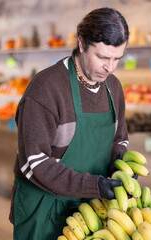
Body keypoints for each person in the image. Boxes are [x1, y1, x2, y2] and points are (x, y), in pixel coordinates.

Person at [9, 7, 130, 239]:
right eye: (103, 57)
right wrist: (95, 185)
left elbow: (119, 139)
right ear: (82, 44)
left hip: (94, 209)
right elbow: (35, 162)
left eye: (117, 59)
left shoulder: (113, 87)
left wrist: (121, 165)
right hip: (44, 209)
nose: (110, 67)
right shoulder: (46, 88)